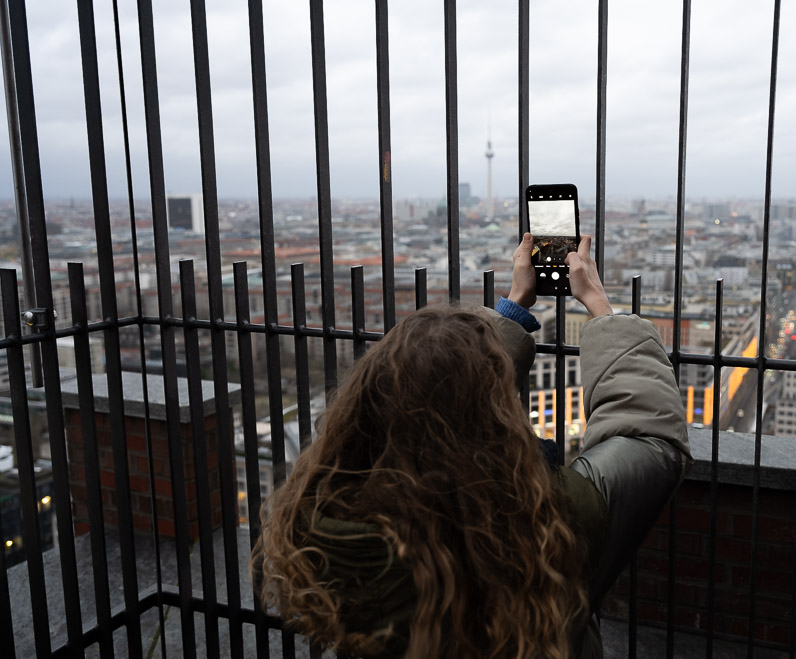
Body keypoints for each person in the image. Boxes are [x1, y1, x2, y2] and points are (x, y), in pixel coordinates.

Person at [253, 234, 691, 658]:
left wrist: (512, 309)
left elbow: (437, 397)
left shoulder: (329, 531)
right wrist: (599, 306)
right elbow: (647, 439)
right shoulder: (547, 520)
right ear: (493, 415)